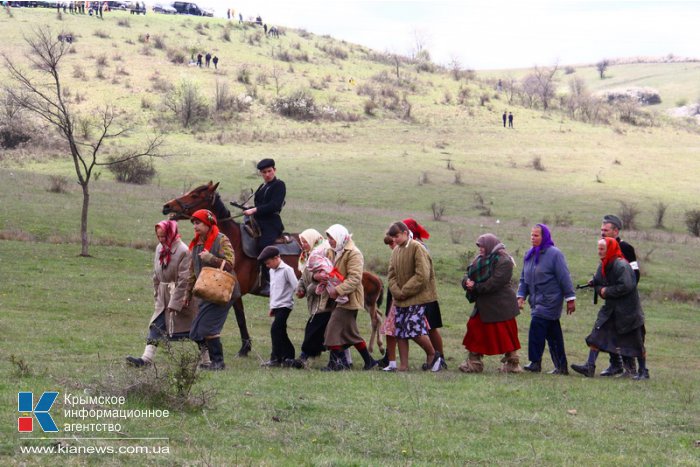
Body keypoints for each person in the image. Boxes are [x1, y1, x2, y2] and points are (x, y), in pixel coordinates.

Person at [570, 238, 648, 380]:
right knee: (597, 334)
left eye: (602, 249)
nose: (599, 252)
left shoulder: (621, 265)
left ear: (610, 249)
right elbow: (600, 283)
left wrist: (607, 291)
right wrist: (597, 286)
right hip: (612, 309)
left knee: (636, 341)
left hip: (628, 311)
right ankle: (589, 366)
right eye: (598, 249)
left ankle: (643, 371)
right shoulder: (604, 265)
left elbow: (627, 286)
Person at [126, 220, 197, 367]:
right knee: (155, 326)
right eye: (158, 236)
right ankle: (146, 359)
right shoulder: (159, 248)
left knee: (194, 329)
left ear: (171, 233)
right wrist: (157, 293)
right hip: (163, 296)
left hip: (181, 296)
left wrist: (175, 302)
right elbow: (156, 274)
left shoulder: (183, 250)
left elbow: (184, 279)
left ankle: (206, 359)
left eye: (164, 236)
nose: (161, 239)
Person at [517, 224, 576, 375]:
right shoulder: (529, 255)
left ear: (544, 237)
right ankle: (561, 366)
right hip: (536, 302)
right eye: (531, 235)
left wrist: (570, 298)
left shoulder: (555, 254)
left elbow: (564, 277)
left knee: (536, 326)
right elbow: (524, 278)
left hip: (551, 300)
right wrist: (521, 296)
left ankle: (535, 362)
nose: (533, 238)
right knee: (553, 333)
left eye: (536, 235)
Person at [461, 234, 522, 373]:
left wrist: (475, 286)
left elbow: (495, 283)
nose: (480, 249)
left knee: (506, 335)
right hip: (484, 304)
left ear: (489, 245)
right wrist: (467, 283)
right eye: (479, 246)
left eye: (482, 246)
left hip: (501, 305)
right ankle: (474, 362)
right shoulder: (479, 260)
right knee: (474, 330)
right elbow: (468, 274)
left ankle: (512, 364)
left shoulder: (504, 261)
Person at [386, 221, 443, 372]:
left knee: (414, 330)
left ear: (405, 233)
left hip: (418, 297)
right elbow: (391, 275)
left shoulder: (417, 247)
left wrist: (404, 291)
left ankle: (433, 354)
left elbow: (422, 275)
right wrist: (397, 292)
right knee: (400, 333)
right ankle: (403, 366)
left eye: (397, 236)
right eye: (393, 237)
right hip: (400, 299)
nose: (395, 240)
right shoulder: (396, 251)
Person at [320, 224, 377, 371]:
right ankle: (369, 361)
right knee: (350, 333)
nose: (330, 240)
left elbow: (355, 278)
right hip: (337, 298)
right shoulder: (333, 251)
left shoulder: (354, 253)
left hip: (349, 299)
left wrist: (337, 290)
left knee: (332, 330)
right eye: (328, 237)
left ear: (340, 237)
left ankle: (337, 364)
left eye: (332, 237)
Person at [184, 209, 235, 371]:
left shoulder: (221, 240)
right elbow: (193, 272)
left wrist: (211, 259)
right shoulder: (196, 243)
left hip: (223, 291)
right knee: (195, 333)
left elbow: (230, 264)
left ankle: (218, 362)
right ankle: (212, 361)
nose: (195, 226)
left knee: (208, 328)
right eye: (193, 223)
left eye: (198, 223)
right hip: (205, 292)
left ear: (208, 223)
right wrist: (188, 293)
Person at [402, 217, 447, 370]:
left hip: (425, 295)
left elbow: (422, 274)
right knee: (427, 328)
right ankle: (436, 357)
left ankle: (439, 358)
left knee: (431, 327)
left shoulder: (419, 247)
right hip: (417, 294)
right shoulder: (408, 246)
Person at [599, 214, 641, 377]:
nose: (603, 233)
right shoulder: (604, 246)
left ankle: (630, 368)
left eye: (606, 230)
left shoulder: (626, 248)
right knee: (608, 330)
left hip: (625, 300)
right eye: (601, 229)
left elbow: (635, 275)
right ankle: (614, 365)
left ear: (616, 231)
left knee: (626, 333)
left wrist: (621, 292)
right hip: (611, 299)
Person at [243, 158, 286, 295]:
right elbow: (260, 205)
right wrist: (250, 208)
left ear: (274, 170)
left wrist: (255, 210)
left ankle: (268, 282)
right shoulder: (262, 187)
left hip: (271, 223)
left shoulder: (279, 185)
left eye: (269, 171)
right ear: (261, 173)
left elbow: (275, 205)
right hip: (258, 222)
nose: (267, 174)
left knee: (264, 247)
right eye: (264, 172)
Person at [294, 229, 331, 367]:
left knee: (313, 329)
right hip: (314, 301)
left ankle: (303, 357)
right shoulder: (307, 256)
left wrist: (309, 288)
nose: (303, 244)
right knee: (327, 331)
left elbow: (325, 278)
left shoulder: (323, 254)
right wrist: (300, 288)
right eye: (302, 241)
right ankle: (344, 360)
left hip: (325, 300)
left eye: (305, 241)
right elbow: (304, 276)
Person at [258, 246, 299, 368]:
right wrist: (272, 306)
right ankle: (288, 356)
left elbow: (296, 286)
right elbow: (273, 290)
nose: (267, 266)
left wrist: (299, 292)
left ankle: (275, 358)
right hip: (277, 306)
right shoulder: (272, 271)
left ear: (276, 258)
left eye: (268, 263)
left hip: (285, 306)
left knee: (275, 330)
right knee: (281, 331)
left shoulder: (287, 270)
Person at [379, 235, 398, 371]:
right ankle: (390, 359)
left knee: (415, 332)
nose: (391, 246)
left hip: (401, 296)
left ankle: (433, 355)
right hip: (394, 294)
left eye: (392, 242)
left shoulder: (408, 252)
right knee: (391, 330)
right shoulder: (395, 254)